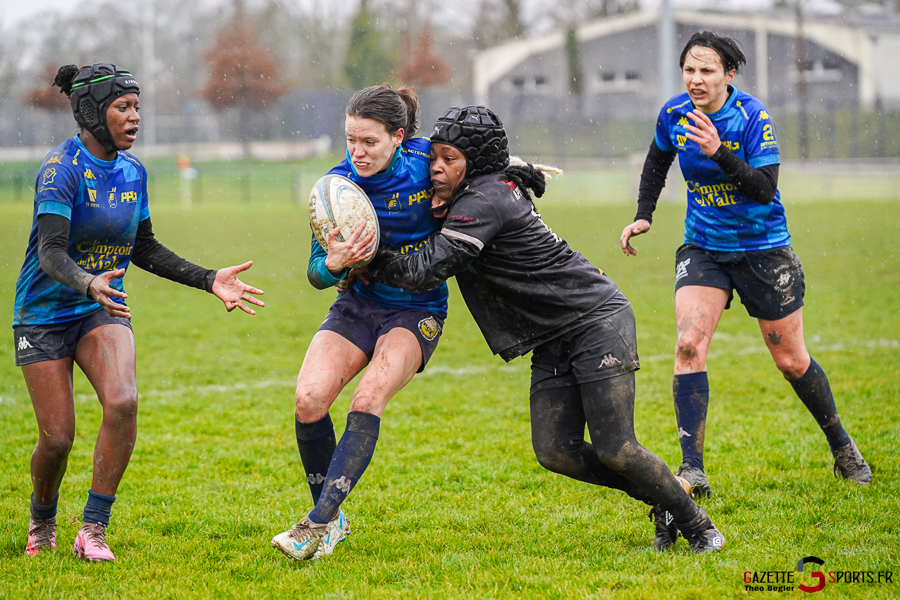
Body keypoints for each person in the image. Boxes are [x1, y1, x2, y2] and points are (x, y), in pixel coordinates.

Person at [366, 105, 725, 553]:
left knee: (617, 448)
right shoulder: (485, 185)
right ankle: (666, 497)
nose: (436, 168)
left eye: (449, 159)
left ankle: (700, 526)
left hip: (595, 321)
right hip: (555, 334)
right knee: (555, 450)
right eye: (434, 157)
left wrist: (364, 258)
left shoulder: (483, 201)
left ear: (474, 163)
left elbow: (424, 270)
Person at [14, 64, 264, 561]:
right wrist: (87, 282)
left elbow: (143, 247)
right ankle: (42, 520)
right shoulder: (60, 170)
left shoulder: (133, 172)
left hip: (103, 310)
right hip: (44, 313)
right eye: (123, 108)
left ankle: (94, 529)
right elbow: (50, 252)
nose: (135, 117)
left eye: (137, 107)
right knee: (58, 438)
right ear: (90, 112)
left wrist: (208, 278)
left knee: (123, 402)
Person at [618, 31, 871, 500]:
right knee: (689, 344)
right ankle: (692, 469)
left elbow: (763, 189)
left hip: (763, 251)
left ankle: (843, 448)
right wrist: (643, 215)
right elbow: (657, 161)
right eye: (689, 70)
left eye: (707, 70)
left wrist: (719, 151)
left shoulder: (753, 117)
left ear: (729, 74)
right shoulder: (674, 113)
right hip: (705, 248)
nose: (696, 79)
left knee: (791, 360)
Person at [271, 85, 448, 561]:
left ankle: (316, 525)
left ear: (398, 137)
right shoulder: (335, 187)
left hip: (417, 308)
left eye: (369, 141)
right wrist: (332, 263)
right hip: (359, 305)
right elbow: (313, 273)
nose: (357, 151)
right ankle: (332, 520)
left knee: (368, 398)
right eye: (350, 139)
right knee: (309, 399)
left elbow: (480, 173)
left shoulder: (428, 161)